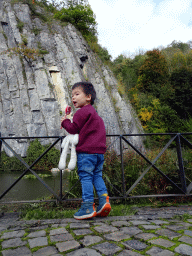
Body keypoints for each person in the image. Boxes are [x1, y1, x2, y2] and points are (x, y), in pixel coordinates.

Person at [61, 81, 111, 220]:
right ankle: (104, 201)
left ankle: (88, 206)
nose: (73, 98)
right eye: (72, 95)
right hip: (99, 153)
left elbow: (73, 129)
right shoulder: (95, 115)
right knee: (97, 176)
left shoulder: (81, 112)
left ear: (88, 97)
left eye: (77, 94)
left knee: (86, 178)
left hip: (86, 153)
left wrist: (65, 121)